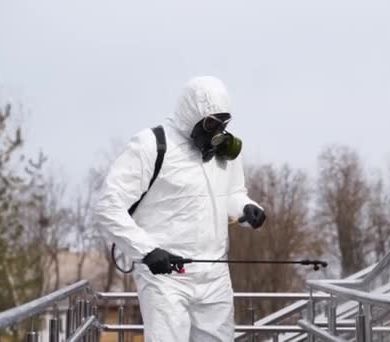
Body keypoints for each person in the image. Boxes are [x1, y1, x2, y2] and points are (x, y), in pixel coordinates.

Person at [94, 76, 266, 341]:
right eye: (210, 123)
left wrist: (247, 208)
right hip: (166, 276)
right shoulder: (151, 145)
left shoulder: (224, 153)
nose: (217, 131)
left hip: (215, 273)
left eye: (222, 123)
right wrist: (147, 251)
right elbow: (108, 206)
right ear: (191, 115)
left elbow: (230, 195)